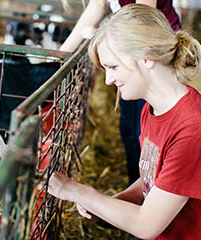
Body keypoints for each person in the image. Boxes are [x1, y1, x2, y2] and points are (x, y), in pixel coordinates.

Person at [48, 4, 201, 239]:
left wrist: (76, 191)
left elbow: (146, 226)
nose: (108, 80)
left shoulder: (194, 131)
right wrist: (111, 204)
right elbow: (153, 179)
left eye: (113, 67)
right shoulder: (152, 109)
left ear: (146, 57)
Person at [61, 0, 181, 186]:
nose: (108, 80)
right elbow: (96, 7)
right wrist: (59, 57)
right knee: (130, 127)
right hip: (128, 48)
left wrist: (106, 36)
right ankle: (139, 187)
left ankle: (155, 192)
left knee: (149, 131)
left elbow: (143, 17)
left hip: (151, 51)